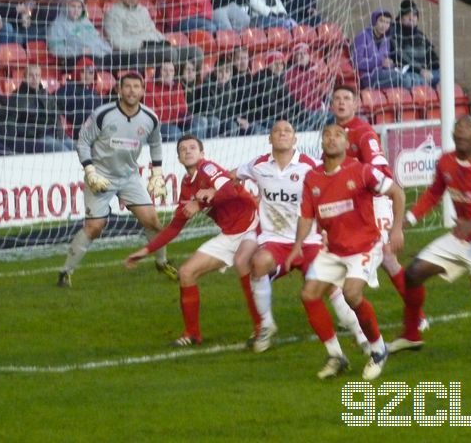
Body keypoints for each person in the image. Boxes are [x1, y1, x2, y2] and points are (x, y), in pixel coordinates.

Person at [388, 115, 471, 368]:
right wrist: (411, 218)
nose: (461, 134)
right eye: (457, 130)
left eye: (467, 130)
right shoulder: (445, 162)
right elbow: (434, 192)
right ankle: (411, 334)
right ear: (452, 134)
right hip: (461, 237)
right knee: (413, 273)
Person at [236, 120, 369, 355]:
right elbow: (232, 176)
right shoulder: (258, 166)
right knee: (257, 264)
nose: (282, 134)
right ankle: (266, 325)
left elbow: (329, 193)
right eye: (276, 131)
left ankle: (362, 335)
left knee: (331, 287)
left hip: (310, 240)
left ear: (295, 139)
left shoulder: (310, 166)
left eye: (287, 131)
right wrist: (211, 190)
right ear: (270, 139)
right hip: (275, 240)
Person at [287, 124, 405, 380]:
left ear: (346, 142)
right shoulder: (313, 178)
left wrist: (396, 229)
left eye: (338, 135)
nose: (332, 139)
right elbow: (306, 217)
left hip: (365, 246)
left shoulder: (362, 171)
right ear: (321, 142)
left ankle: (378, 349)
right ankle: (336, 356)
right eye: (327, 135)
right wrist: (297, 246)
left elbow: (397, 192)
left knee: (351, 293)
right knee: (309, 295)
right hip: (335, 251)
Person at [124, 134, 259, 346]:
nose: (187, 151)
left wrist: (201, 202)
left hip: (253, 225)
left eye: (192, 147)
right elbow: (175, 226)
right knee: (186, 273)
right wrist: (146, 250)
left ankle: (261, 328)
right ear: (178, 158)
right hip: (230, 235)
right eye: (182, 149)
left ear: (202, 153)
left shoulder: (208, 168)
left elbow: (230, 189)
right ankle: (192, 334)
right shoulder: (187, 186)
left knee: (248, 270)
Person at [58, 71, 177, 287]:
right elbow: (83, 142)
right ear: (119, 90)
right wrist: (90, 171)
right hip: (101, 177)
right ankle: (66, 272)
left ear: (142, 91)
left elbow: (156, 143)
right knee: (95, 227)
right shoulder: (103, 114)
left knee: (153, 221)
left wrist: (157, 172)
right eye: (127, 86)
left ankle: (162, 263)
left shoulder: (150, 118)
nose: (132, 91)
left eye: (136, 87)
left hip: (129, 177)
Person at [329, 85, 422, 325]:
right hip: (354, 204)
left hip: (375, 201)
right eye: (337, 99)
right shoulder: (334, 132)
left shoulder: (363, 132)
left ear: (355, 104)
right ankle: (351, 312)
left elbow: (379, 168)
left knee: (385, 256)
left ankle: (414, 316)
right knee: (375, 257)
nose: (341, 102)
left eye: (346, 99)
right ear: (331, 105)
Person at [7, 64, 74, 153]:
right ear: (24, 77)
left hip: (54, 135)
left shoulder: (45, 94)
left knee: (80, 150)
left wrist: (62, 136)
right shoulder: (17, 97)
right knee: (63, 152)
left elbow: (56, 117)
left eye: (37, 75)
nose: (34, 78)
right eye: (31, 75)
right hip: (36, 138)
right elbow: (12, 124)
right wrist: (34, 133)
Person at [46, 0, 112, 62]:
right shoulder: (57, 25)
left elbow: (98, 39)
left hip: (101, 55)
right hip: (79, 60)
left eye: (79, 7)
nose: (76, 10)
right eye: (73, 6)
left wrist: (107, 50)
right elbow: (55, 50)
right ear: (65, 7)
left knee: (123, 57)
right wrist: (79, 51)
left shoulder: (86, 22)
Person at [392, 0, 440, 87]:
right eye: (408, 15)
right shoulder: (395, 33)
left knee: (444, 78)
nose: (411, 18)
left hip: (426, 71)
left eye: (414, 15)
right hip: (409, 72)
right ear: (401, 18)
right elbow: (401, 57)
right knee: (417, 80)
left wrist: (437, 67)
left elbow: (431, 54)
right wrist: (420, 70)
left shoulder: (421, 36)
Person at [55, 57, 106, 140]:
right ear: (77, 72)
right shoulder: (66, 90)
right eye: (83, 72)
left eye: (90, 73)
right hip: (76, 132)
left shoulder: (95, 94)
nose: (87, 76)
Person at [353, 9, 402, 89]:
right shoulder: (362, 36)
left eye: (387, 23)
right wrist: (379, 62)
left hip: (382, 73)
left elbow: (384, 60)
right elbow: (357, 62)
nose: (384, 25)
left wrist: (389, 64)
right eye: (381, 21)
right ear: (374, 21)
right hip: (367, 77)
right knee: (403, 79)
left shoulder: (386, 39)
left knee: (410, 78)